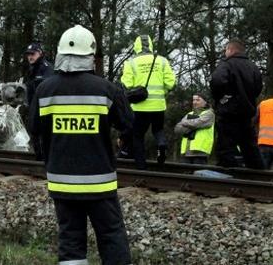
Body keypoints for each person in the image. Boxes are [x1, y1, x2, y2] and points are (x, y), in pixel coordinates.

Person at [29, 25, 133, 265]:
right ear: (91, 56)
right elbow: (128, 123)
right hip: (99, 182)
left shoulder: (44, 90)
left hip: (62, 182)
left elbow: (34, 128)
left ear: (60, 54)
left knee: (71, 242)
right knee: (111, 236)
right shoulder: (106, 89)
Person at [120, 34, 176, 169]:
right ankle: (161, 145)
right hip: (158, 105)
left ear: (136, 46)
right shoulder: (162, 61)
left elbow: (127, 84)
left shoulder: (131, 63)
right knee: (158, 130)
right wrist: (164, 92)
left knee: (137, 136)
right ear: (150, 45)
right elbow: (170, 83)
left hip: (139, 107)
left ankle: (141, 166)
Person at [210, 38, 265, 169]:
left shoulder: (226, 64)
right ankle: (258, 173)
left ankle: (229, 173)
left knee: (225, 146)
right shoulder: (253, 67)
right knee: (249, 146)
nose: (225, 53)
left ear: (230, 50)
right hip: (247, 113)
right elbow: (258, 87)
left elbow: (217, 81)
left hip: (229, 112)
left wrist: (221, 98)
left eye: (226, 50)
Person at [174, 93, 215, 164]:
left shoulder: (209, 113)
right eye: (194, 100)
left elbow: (196, 124)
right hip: (186, 152)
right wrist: (192, 125)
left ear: (205, 102)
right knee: (185, 174)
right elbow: (177, 129)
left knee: (198, 174)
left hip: (200, 152)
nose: (195, 102)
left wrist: (185, 123)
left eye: (198, 100)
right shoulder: (190, 114)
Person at [24, 41, 54, 107]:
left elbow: (49, 90)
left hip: (43, 108)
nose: (30, 57)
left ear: (40, 53)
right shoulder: (32, 69)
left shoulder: (46, 68)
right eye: (28, 54)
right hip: (32, 107)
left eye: (32, 54)